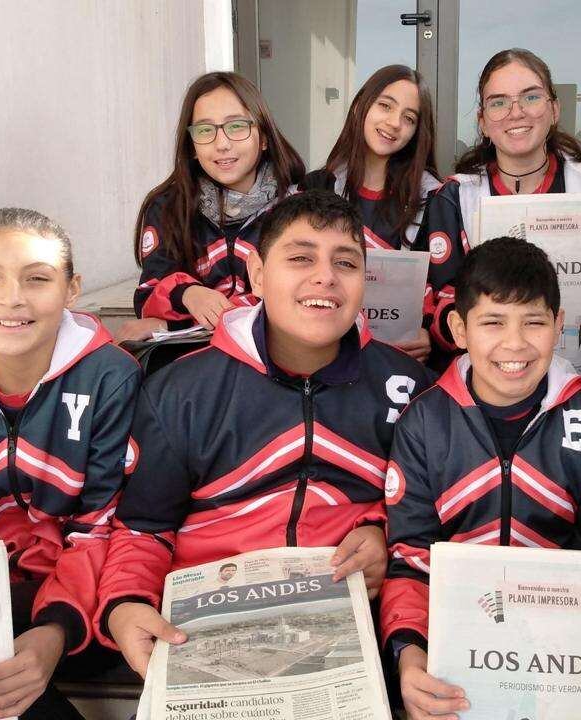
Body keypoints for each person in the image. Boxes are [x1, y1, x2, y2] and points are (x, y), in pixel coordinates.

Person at [94, 191, 434, 677]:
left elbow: (430, 517)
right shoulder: (181, 390)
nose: (325, 276)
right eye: (300, 258)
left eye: (346, 262)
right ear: (256, 273)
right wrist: (125, 605)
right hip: (206, 633)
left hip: (356, 634)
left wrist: (383, 532)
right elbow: (144, 527)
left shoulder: (407, 388)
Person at [381, 238, 581, 720]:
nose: (514, 344)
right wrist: (409, 656)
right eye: (492, 322)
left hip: (567, 648)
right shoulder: (423, 423)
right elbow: (411, 556)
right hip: (456, 644)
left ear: (558, 326)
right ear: (458, 328)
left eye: (534, 322)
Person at [0, 208, 140, 719]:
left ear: (71, 289)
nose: (12, 298)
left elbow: (102, 526)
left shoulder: (111, 378)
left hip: (83, 601)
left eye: (37, 279)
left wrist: (53, 631)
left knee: (0, 676)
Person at [413, 48, 581, 370]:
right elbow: (436, 303)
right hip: (484, 386)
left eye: (531, 97)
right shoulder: (455, 197)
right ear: (482, 122)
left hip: (580, 385)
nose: (516, 112)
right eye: (498, 102)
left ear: (554, 109)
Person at [117, 71, 304, 342]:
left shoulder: (297, 206)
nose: (222, 144)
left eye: (237, 126)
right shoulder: (168, 207)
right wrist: (189, 294)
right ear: (192, 145)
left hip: (274, 351)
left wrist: (173, 326)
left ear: (263, 137)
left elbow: (298, 298)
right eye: (205, 130)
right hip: (196, 357)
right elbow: (148, 293)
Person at [300, 64, 441, 362]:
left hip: (398, 360)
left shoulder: (434, 198)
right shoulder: (317, 187)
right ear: (360, 107)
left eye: (409, 118)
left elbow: (445, 284)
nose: (393, 123)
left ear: (417, 132)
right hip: (327, 352)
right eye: (385, 106)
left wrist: (431, 335)